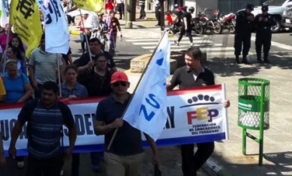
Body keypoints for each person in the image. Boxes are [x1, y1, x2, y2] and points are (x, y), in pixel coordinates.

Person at [168, 47, 230, 176]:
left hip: (202, 119)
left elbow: (214, 95)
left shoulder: (208, 75)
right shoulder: (180, 72)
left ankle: (189, 172)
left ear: (198, 60)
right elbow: (170, 87)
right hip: (185, 120)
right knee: (187, 153)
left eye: (189, 60)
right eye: (185, 59)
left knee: (208, 147)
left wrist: (224, 102)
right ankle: (189, 173)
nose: (187, 62)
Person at [94, 72, 160, 176]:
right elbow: (97, 130)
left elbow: (146, 129)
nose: (120, 86)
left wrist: (155, 152)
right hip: (113, 155)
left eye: (123, 83)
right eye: (116, 84)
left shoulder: (137, 102)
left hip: (136, 154)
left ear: (128, 85)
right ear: (111, 86)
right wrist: (111, 126)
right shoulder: (104, 104)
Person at [9, 81, 77, 176]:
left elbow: (72, 127)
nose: (46, 97)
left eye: (50, 94)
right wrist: (12, 145)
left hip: (54, 156)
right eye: (44, 93)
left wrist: (71, 147)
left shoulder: (63, 108)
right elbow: (19, 124)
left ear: (56, 95)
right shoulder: (31, 105)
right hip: (34, 156)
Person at [61, 66, 88, 176]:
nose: (71, 76)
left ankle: (75, 172)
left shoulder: (82, 89)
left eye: (73, 74)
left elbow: (87, 104)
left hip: (77, 122)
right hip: (62, 122)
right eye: (69, 74)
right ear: (65, 75)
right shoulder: (60, 88)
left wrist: (77, 101)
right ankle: (60, 167)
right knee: (61, 146)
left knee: (76, 149)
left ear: (77, 75)